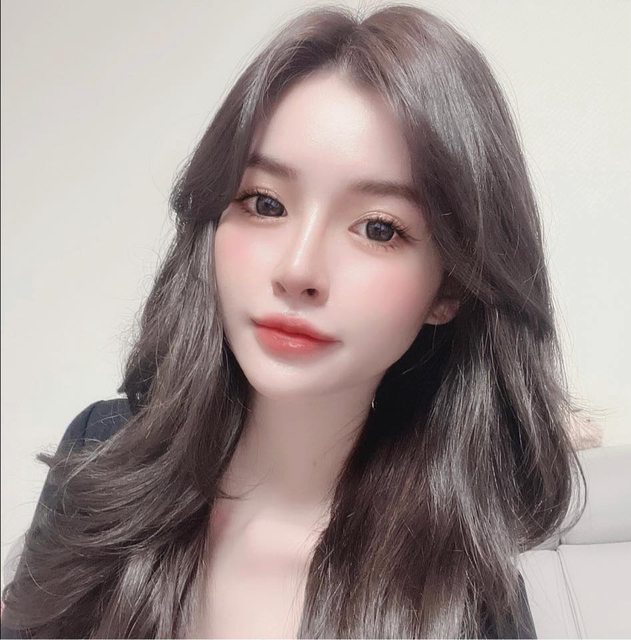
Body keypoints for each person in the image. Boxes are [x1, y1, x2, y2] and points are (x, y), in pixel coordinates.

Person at [1, 4, 585, 638]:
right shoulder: (100, 461)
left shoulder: (465, 602)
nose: (298, 268)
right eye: (265, 203)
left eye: (378, 228)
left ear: (450, 287)